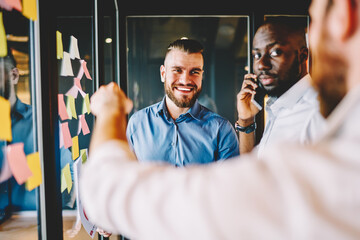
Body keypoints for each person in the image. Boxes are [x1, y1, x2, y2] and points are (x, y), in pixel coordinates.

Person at [80, 0, 360, 238]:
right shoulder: (283, 112)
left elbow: (111, 191)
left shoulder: (230, 128)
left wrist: (109, 113)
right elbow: (253, 175)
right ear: (163, 73)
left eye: (314, 10)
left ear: (343, 15)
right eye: (256, 55)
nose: (262, 64)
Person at [126, 38, 239, 166]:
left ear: (201, 76)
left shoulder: (221, 130)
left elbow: (229, 184)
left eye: (194, 72)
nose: (185, 80)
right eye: (177, 70)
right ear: (163, 74)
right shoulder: (137, 124)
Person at [237, 17, 325, 156]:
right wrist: (246, 120)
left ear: (302, 56)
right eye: (257, 55)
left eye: (275, 52)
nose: (261, 64)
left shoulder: (318, 113)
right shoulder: (277, 108)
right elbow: (256, 174)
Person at [0, 51, 74, 212]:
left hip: (34, 228)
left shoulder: (43, 121)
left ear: (13, 76)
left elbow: (69, 173)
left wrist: (67, 212)